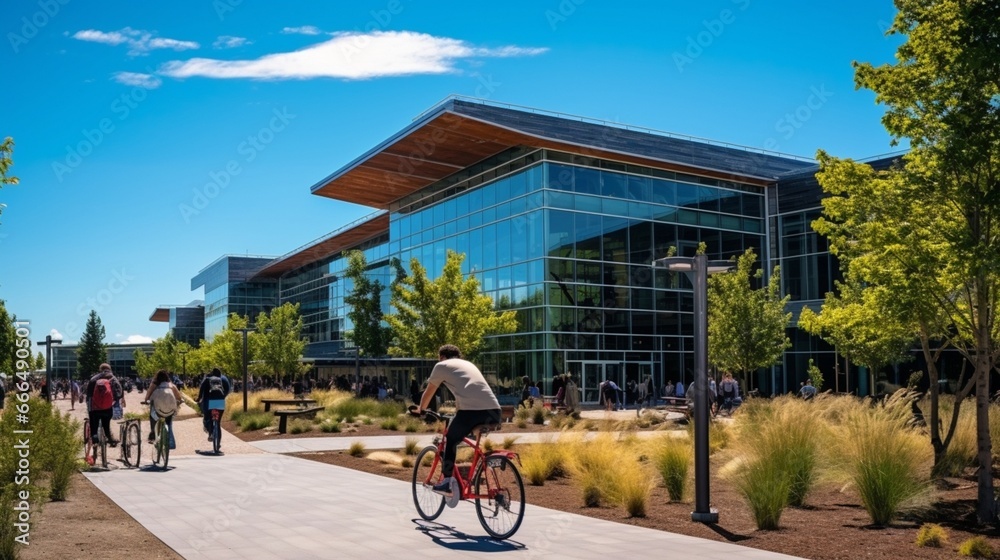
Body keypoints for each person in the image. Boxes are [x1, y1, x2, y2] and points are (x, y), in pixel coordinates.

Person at [416, 344, 501, 496]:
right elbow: (469, 392)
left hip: (472, 412)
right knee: (468, 438)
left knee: (450, 439)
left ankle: (447, 482)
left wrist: (421, 409)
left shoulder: (441, 365)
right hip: (494, 411)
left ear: (441, 357)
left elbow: (429, 392)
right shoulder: (468, 365)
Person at [86, 363, 123, 446]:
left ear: (100, 369)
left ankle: (94, 437)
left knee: (93, 423)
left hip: (94, 408)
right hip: (107, 407)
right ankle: (109, 437)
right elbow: (119, 392)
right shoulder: (112, 378)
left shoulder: (94, 378)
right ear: (109, 369)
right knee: (106, 423)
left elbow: (88, 395)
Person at [144, 369, 183, 444]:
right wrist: (180, 401)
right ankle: (170, 440)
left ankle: (153, 434)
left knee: (152, 416)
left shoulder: (154, 384)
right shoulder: (171, 385)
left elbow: (148, 395)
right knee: (169, 422)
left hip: (158, 412)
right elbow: (179, 397)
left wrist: (146, 401)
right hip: (170, 411)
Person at [198, 368, 231, 440]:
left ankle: (210, 434)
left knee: (209, 417)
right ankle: (218, 445)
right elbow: (228, 389)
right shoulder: (223, 379)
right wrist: (222, 397)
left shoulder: (207, 379)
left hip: (210, 400)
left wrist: (199, 399)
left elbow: (201, 390)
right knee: (218, 423)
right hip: (220, 400)